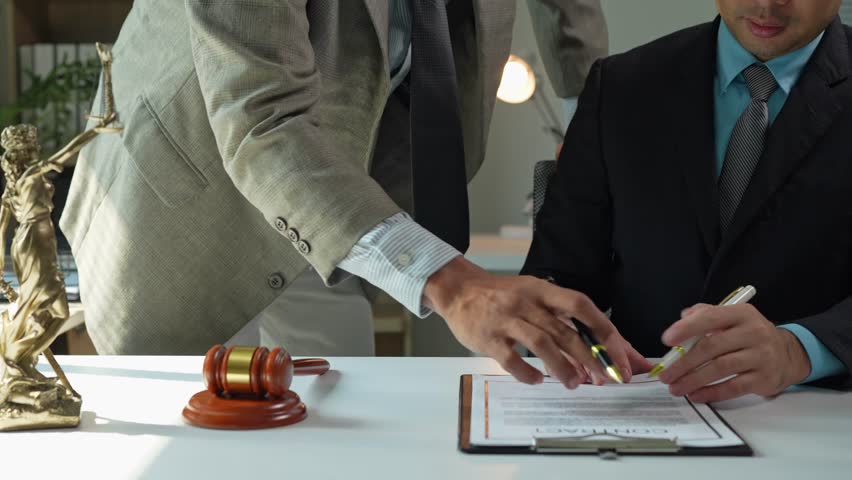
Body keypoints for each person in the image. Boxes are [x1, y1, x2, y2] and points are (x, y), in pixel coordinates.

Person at [60, 0, 640, 388]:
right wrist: (455, 284)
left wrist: (590, 126)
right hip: (190, 194)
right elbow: (262, 122)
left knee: (341, 418)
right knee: (193, 446)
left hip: (340, 189)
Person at [523, 0, 852, 402]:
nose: (766, 4)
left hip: (821, 418)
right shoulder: (622, 87)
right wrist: (565, 332)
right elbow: (556, 276)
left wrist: (799, 350)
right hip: (642, 409)